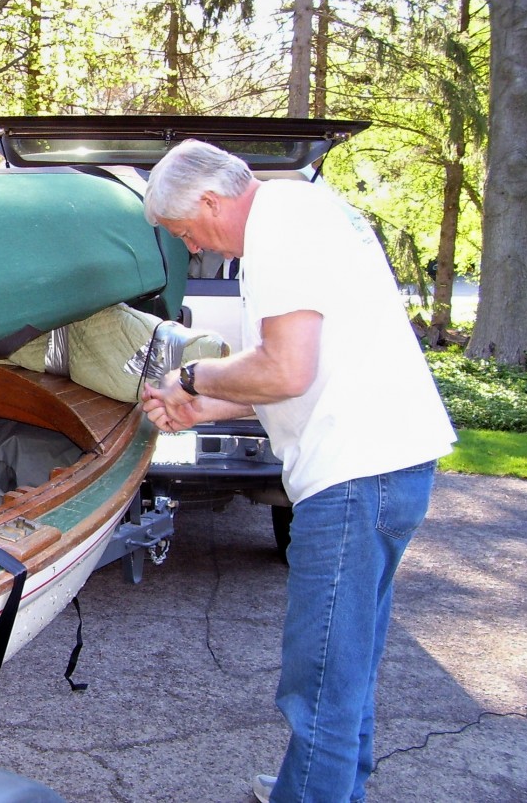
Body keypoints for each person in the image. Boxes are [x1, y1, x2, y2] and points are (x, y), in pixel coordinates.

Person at [139, 140, 455, 803]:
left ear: (210, 201)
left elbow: (285, 368)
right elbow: (287, 378)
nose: (191, 247)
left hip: (354, 475)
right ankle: (323, 786)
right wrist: (199, 408)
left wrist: (190, 374)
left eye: (183, 230)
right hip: (391, 465)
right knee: (349, 666)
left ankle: (313, 793)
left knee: (319, 680)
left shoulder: (279, 229)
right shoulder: (305, 214)